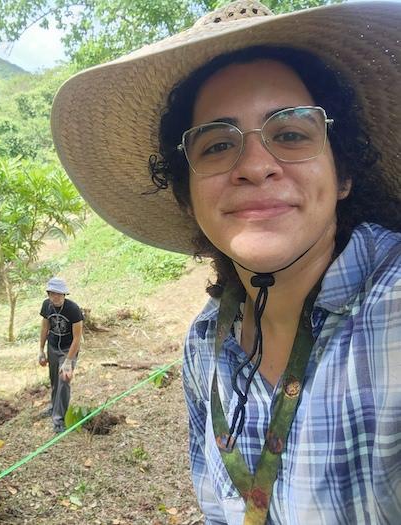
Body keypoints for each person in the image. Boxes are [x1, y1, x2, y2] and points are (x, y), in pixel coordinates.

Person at [50, 1, 401, 523]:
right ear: (189, 196)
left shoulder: (389, 310)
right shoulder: (203, 344)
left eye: (290, 134)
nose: (256, 166)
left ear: (343, 171)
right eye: (217, 145)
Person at [38, 277, 84, 433]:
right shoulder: (46, 305)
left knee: (64, 379)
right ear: (49, 294)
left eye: (58, 294)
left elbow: (77, 338)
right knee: (54, 380)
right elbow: (45, 328)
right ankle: (53, 407)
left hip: (68, 348)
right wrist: (41, 350)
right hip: (52, 346)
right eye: (52, 293)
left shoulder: (73, 309)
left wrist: (68, 361)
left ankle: (59, 420)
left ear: (64, 294)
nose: (55, 297)